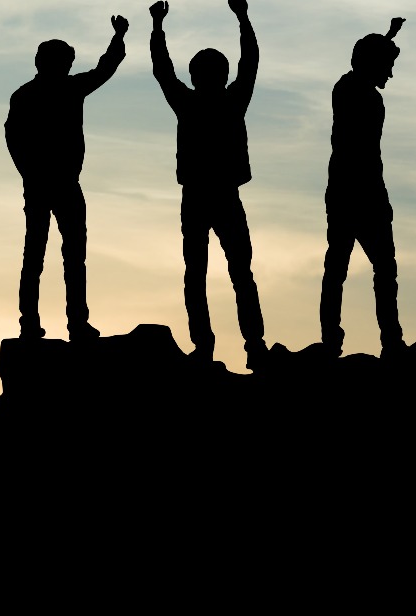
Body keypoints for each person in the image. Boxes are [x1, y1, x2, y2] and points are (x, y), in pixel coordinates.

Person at [150, 0, 268, 364]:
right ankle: (252, 346)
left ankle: (207, 346)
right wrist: (242, 17)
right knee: (238, 273)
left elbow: (163, 70)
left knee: (199, 274)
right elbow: (250, 60)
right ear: (220, 74)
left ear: (197, 76)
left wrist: (157, 26)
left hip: (200, 196)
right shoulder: (232, 101)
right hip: (220, 195)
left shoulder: (189, 102)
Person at [6, 15, 131, 342]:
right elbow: (13, 137)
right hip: (46, 184)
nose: (64, 66)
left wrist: (118, 38)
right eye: (61, 61)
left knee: (67, 256)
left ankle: (72, 322)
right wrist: (29, 172)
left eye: (66, 62)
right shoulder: (36, 94)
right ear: (44, 62)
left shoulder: (58, 90)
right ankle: (35, 323)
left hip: (60, 185)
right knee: (44, 255)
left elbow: (105, 69)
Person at [319, 17, 406, 357]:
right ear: (373, 64)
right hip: (357, 192)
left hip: (356, 191)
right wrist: (388, 37)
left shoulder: (352, 88)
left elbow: (368, 57)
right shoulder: (354, 91)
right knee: (359, 268)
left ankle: (349, 340)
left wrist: (389, 36)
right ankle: (383, 341)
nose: (391, 74)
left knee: (363, 268)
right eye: (388, 66)